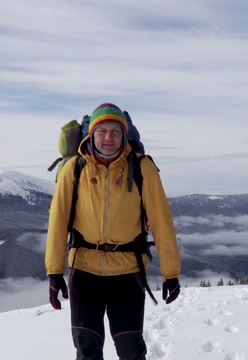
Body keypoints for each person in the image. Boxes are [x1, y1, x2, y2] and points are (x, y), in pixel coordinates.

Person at [45, 102, 181, 360]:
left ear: (124, 134)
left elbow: (162, 222)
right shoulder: (74, 169)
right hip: (84, 272)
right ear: (91, 134)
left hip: (128, 272)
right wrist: (54, 272)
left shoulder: (143, 168)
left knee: (130, 350)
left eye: (115, 131)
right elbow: (58, 223)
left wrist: (171, 273)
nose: (109, 137)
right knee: (87, 350)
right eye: (102, 131)